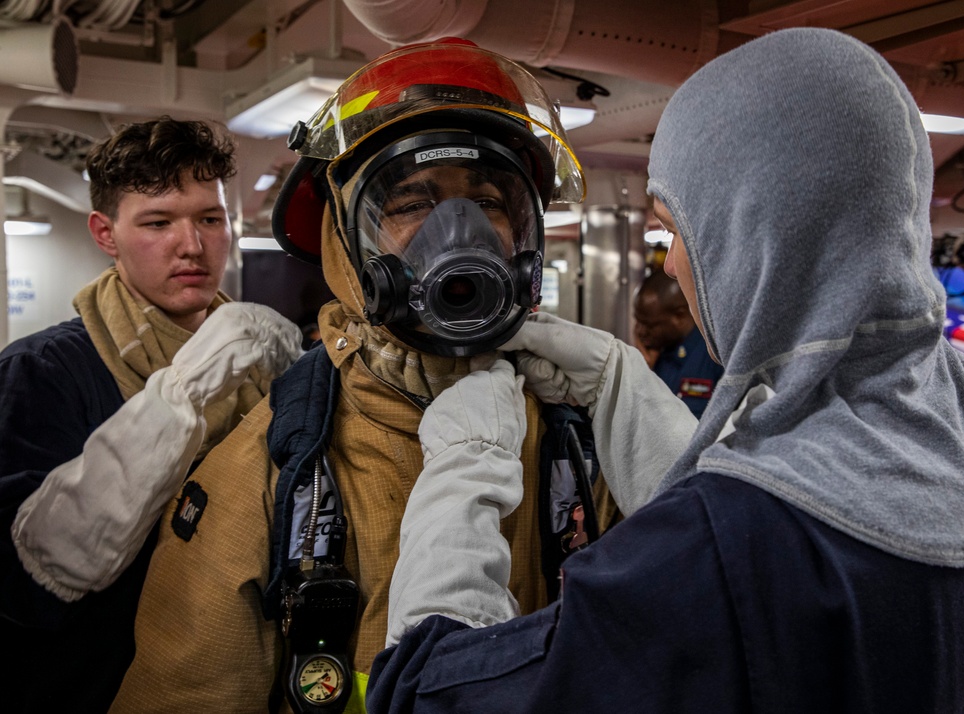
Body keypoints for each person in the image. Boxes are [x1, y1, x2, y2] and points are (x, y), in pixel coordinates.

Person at [365, 27, 964, 712]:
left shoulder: (726, 544)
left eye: (673, 232)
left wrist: (466, 468)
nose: (668, 265)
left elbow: (425, 695)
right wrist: (623, 391)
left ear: (749, 238)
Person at [108, 39, 698, 714]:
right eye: (412, 203)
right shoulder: (272, 469)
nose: (459, 234)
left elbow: (704, 629)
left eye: (488, 202)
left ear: (524, 233)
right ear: (344, 241)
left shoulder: (584, 436)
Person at [0, 117, 302, 714]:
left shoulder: (264, 366)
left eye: (209, 220)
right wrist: (189, 389)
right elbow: (21, 585)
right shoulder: (39, 374)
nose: (191, 246)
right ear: (105, 234)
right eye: (158, 223)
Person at [634, 269, 723, 418]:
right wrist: (643, 373)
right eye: (638, 321)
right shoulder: (653, 356)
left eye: (650, 325)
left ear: (680, 316)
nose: (641, 332)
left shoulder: (714, 354)